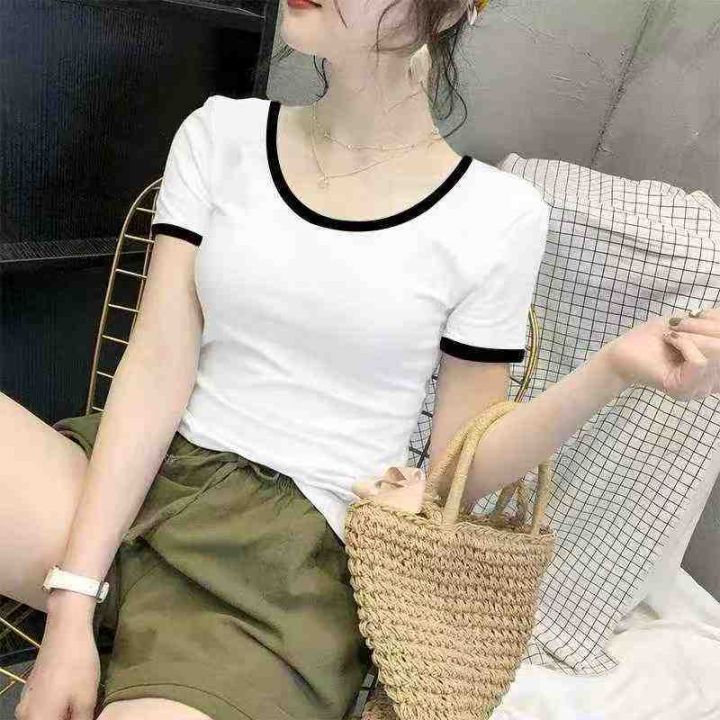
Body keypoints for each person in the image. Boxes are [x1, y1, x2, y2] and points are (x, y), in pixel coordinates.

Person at [3, 0, 719, 719]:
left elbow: (458, 469)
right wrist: (71, 605)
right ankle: (124, 631)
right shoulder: (221, 134)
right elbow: (156, 370)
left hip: (288, 565)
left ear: (450, 10)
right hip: (151, 480)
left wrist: (610, 371)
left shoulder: (497, 217)